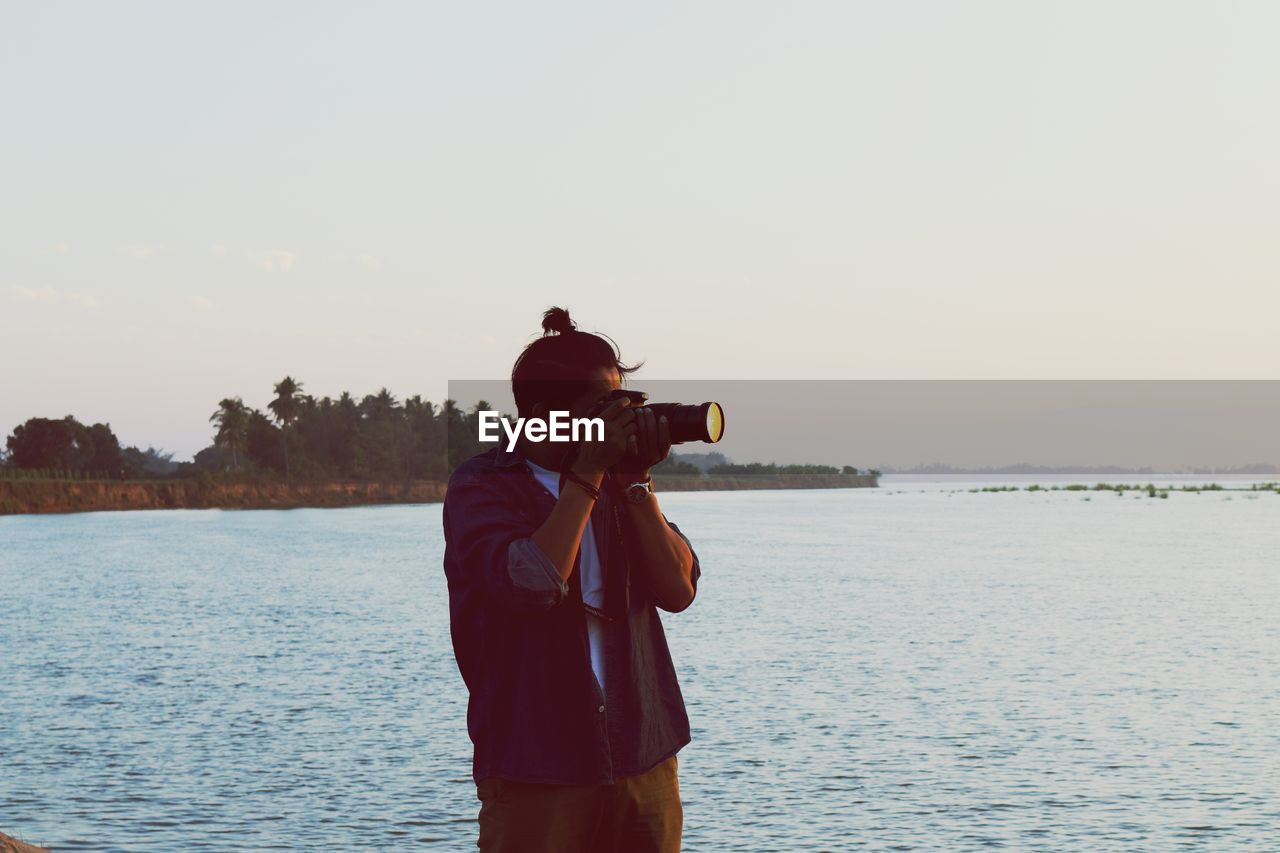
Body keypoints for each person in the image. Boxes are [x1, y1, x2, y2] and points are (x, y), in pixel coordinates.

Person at [443, 307, 701, 852]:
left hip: (642, 757)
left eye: (623, 406)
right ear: (544, 414)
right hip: (537, 765)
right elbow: (533, 583)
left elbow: (678, 590)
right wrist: (587, 473)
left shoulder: (620, 486)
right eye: (601, 409)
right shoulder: (483, 486)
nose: (618, 423)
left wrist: (635, 481)